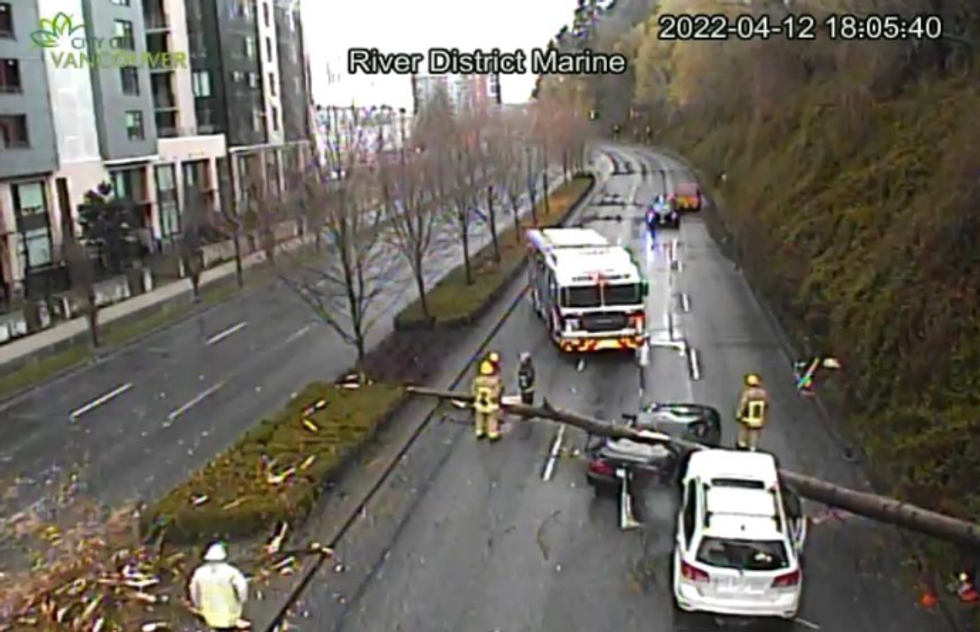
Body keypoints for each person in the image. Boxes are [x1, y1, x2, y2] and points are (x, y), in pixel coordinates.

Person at [188, 542, 249, 632]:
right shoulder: (231, 572)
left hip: (210, 614)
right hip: (230, 613)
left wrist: (198, 604)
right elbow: (242, 587)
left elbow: (193, 590)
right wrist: (241, 600)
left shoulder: (199, 573)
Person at [735, 373, 769, 451]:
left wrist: (739, 413)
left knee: (744, 430)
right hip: (757, 417)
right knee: (755, 433)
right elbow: (766, 405)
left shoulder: (748, 393)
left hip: (747, 416)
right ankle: (753, 446)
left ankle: (742, 444)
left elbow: (743, 404)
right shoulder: (763, 393)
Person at [472, 358, 503, 441]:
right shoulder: (495, 381)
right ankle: (492, 433)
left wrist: (476, 396)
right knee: (492, 418)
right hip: (491, 403)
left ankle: (479, 431)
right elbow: (497, 391)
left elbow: (473, 390)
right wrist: (496, 397)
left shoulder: (477, 380)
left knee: (479, 417)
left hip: (480, 403)